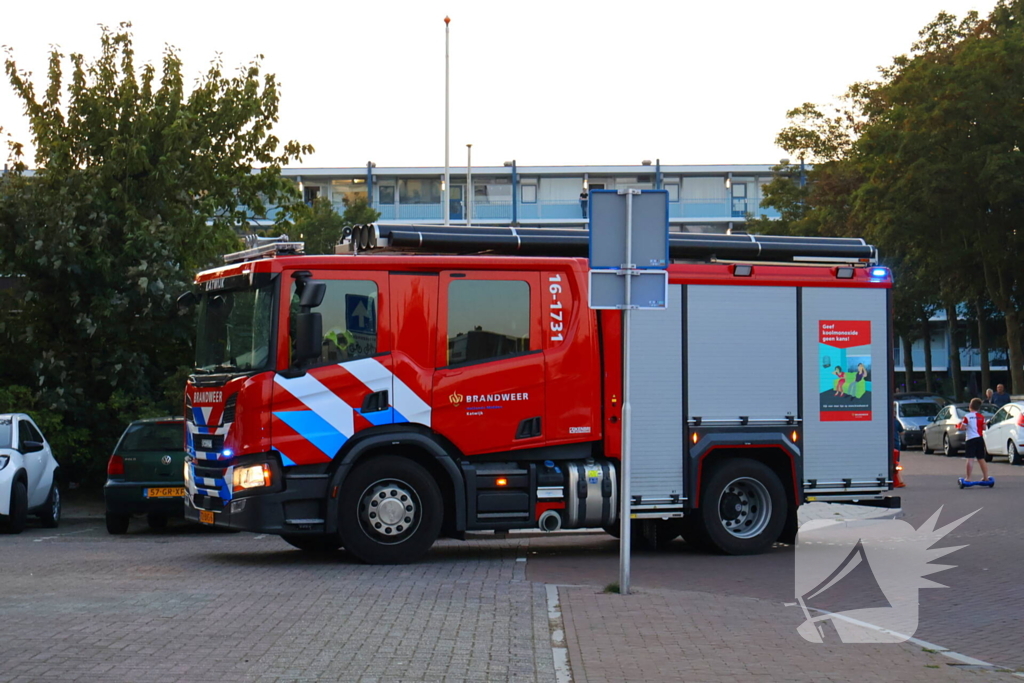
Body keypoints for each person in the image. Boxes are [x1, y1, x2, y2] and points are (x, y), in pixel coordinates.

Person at [956, 398, 991, 483]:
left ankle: (968, 478)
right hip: (979, 438)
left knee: (970, 459)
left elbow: (962, 427)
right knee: (981, 458)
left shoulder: (967, 416)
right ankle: (986, 477)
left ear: (970, 406)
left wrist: (959, 426)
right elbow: (983, 428)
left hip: (970, 439)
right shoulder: (981, 417)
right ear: (979, 408)